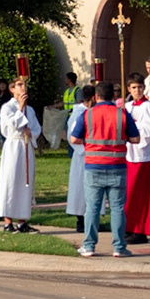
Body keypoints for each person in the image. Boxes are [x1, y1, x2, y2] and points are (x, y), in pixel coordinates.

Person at [79, 83, 134, 257]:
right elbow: (136, 137)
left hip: (93, 166)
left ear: (96, 96)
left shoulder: (87, 114)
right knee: (117, 208)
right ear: (113, 96)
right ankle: (119, 247)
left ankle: (89, 246)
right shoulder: (122, 114)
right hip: (117, 166)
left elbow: (73, 137)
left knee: (92, 208)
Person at [0, 77, 41, 233]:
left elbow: (36, 128)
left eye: (24, 85)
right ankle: (8, 222)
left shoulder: (31, 109)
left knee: (25, 182)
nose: (23, 88)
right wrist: (20, 108)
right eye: (19, 85)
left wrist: (31, 133)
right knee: (11, 181)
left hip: (26, 146)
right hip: (13, 146)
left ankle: (22, 221)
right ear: (12, 89)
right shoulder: (7, 107)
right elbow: (11, 126)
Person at [122, 79, 150, 243]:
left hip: (142, 156)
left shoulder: (149, 107)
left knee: (141, 195)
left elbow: (148, 132)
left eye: (140, 87)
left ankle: (140, 230)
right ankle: (128, 226)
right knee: (128, 194)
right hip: (128, 154)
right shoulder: (127, 107)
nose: (137, 90)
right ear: (128, 88)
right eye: (134, 87)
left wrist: (132, 130)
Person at [64, 83, 95, 231]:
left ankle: (92, 217)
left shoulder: (93, 111)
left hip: (94, 154)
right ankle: (81, 219)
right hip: (83, 154)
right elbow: (72, 135)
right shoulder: (78, 113)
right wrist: (85, 149)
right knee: (81, 187)